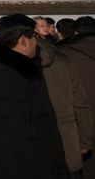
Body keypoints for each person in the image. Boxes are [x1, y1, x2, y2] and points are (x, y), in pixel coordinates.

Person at [0, 14, 69, 178]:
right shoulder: (4, 74)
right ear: (23, 40)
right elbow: (19, 132)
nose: (37, 43)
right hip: (26, 168)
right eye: (34, 37)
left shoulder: (21, 68)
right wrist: (44, 170)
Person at [37, 34, 93, 177]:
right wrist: (85, 140)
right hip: (71, 140)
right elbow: (80, 103)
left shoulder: (13, 67)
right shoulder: (63, 61)